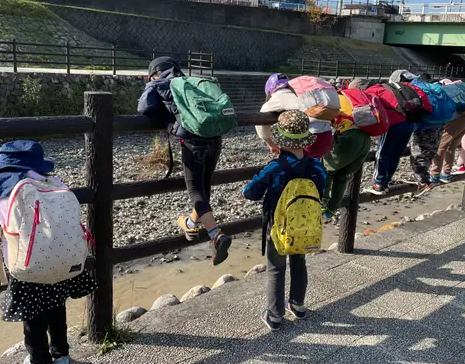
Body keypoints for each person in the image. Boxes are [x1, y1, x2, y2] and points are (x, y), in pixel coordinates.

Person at [0, 141, 97, 364]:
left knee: (33, 315)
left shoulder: (4, 188)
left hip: (28, 265)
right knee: (56, 308)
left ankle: (40, 363)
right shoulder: (54, 183)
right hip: (60, 261)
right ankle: (61, 358)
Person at [138, 56, 232, 265]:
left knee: (195, 191)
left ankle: (216, 235)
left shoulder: (159, 83)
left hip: (192, 142)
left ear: (153, 73)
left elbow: (144, 108)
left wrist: (164, 114)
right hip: (215, 139)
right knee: (204, 187)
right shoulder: (192, 82)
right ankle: (190, 222)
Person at [243, 110, 326, 331]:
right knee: (299, 263)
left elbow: (250, 192)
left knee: (276, 269)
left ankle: (275, 315)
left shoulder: (276, 167)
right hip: (305, 227)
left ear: (280, 139)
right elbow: (322, 192)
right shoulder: (317, 166)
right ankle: (298, 305)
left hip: (278, 228)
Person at [256, 73, 336, 159]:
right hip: (326, 136)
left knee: (295, 165)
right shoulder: (301, 93)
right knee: (312, 165)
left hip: (308, 139)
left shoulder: (279, 96)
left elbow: (262, 116)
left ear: (269, 91)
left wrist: (269, 142)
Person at [321, 109, 372, 222]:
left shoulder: (332, 106)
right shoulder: (353, 105)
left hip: (349, 137)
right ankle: (332, 209)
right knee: (342, 176)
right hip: (366, 140)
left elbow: (322, 124)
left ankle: (322, 203)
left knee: (326, 170)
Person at [429, 114, 465, 183]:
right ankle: (446, 174)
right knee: (451, 147)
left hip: (455, 118)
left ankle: (434, 175)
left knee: (440, 146)